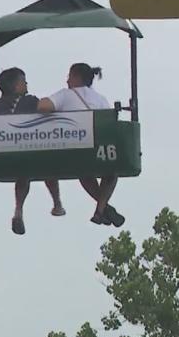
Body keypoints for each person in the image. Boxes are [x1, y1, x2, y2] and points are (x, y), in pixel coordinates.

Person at [38, 63, 124, 227]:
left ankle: (104, 208)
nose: (67, 80)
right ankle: (101, 209)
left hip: (73, 150)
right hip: (99, 149)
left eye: (69, 76)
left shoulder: (66, 95)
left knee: (83, 172)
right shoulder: (101, 99)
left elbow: (43, 106)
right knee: (111, 171)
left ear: (76, 77)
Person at [0, 67, 65, 235]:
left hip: (5, 154)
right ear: (17, 86)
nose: (26, 84)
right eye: (23, 82)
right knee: (47, 161)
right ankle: (57, 202)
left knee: (23, 172)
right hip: (31, 151)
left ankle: (18, 209)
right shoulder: (29, 101)